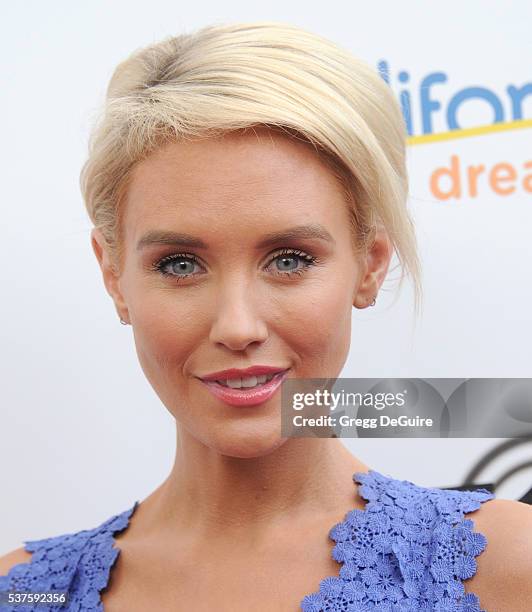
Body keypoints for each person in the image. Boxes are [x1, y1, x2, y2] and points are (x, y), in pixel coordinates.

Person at [1, 21, 531, 612]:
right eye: (179, 265)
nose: (237, 326)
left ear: (370, 264)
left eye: (289, 259)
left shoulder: (506, 567)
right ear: (113, 276)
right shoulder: (28, 591)